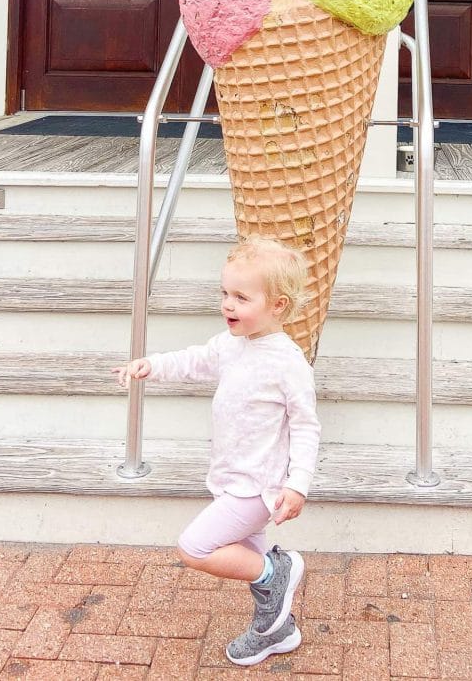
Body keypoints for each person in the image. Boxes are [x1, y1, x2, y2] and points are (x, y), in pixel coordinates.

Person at [114, 235, 320, 668]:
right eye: (225, 293)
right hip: (229, 478)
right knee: (253, 563)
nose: (228, 304)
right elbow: (195, 359)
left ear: (278, 305)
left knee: (196, 547)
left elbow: (305, 426)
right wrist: (152, 365)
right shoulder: (231, 345)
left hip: (257, 488)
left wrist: (297, 484)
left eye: (242, 297)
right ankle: (276, 629)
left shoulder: (287, 362)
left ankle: (276, 573)